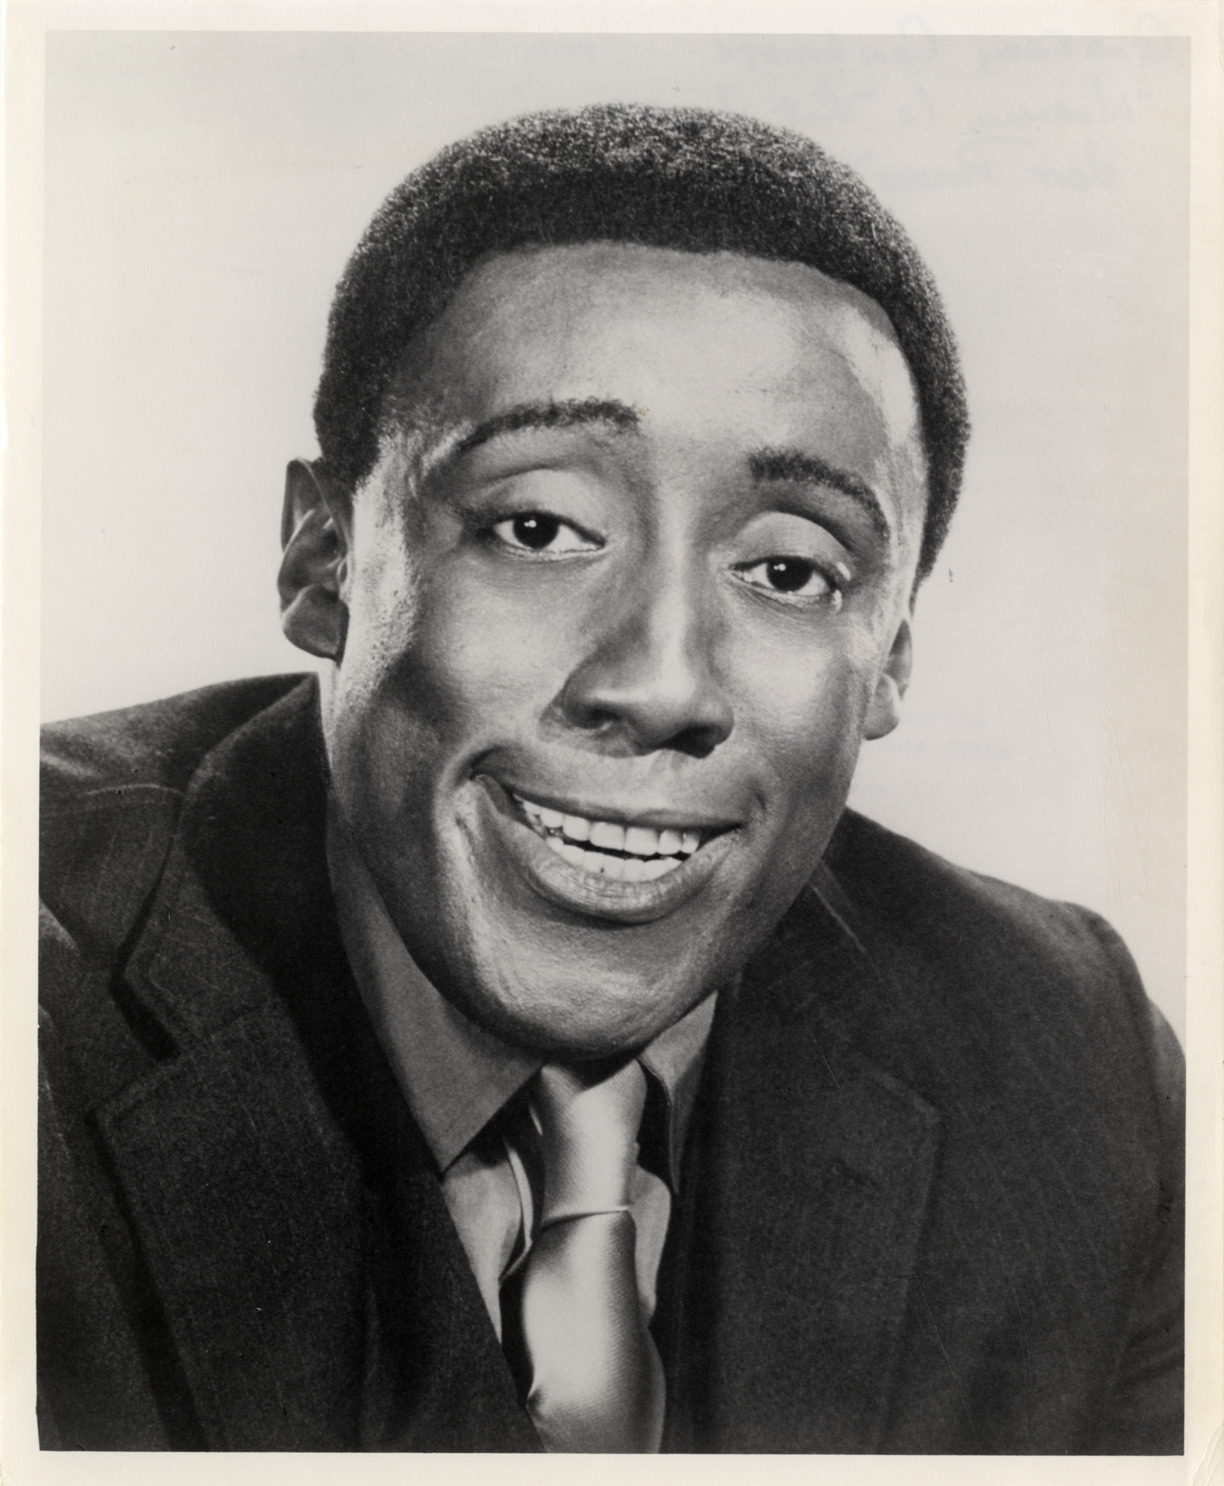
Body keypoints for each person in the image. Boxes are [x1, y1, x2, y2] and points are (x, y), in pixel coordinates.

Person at [36, 103, 1183, 1454]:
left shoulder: (1072, 1066)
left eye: (789, 569)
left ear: (889, 657)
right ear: (324, 562)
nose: (661, 683)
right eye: (539, 527)